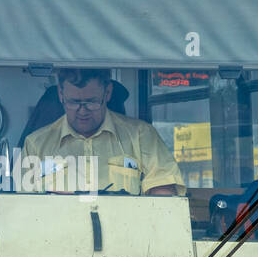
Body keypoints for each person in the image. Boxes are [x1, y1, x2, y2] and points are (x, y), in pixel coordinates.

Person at [22, 68, 185, 196]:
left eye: (91, 102)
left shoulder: (141, 136)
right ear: (60, 94)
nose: (82, 111)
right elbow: (23, 207)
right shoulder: (36, 144)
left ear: (107, 93)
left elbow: (163, 193)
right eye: (74, 102)